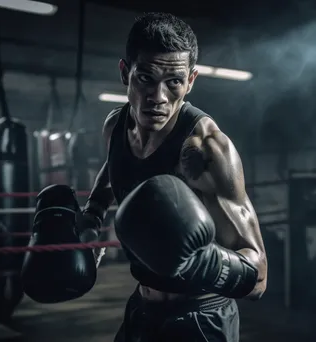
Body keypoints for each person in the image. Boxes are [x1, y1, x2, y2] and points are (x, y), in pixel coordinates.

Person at [78, 12, 267, 342]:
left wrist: (199, 262)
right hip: (142, 308)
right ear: (126, 73)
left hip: (203, 317)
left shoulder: (206, 149)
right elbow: (113, 169)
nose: (158, 97)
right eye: (146, 78)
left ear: (191, 80)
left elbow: (258, 276)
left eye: (174, 82)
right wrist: (93, 214)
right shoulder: (116, 126)